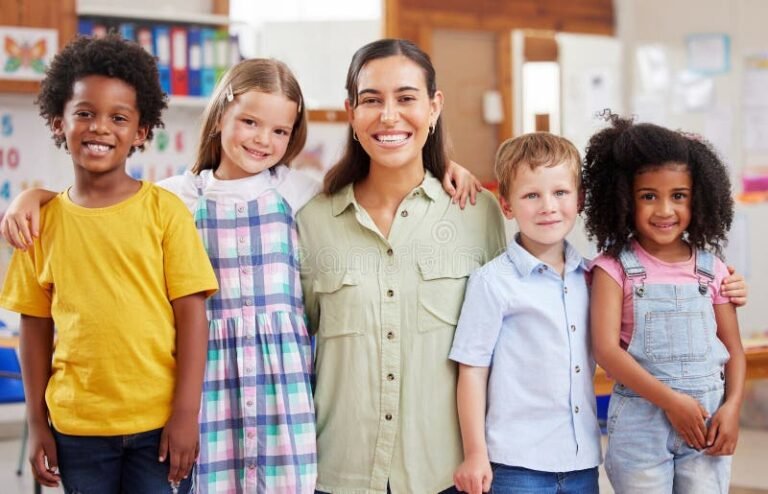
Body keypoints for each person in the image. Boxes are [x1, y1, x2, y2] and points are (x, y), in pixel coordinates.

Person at [0, 55, 481, 493]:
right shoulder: (177, 199)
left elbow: (382, 180)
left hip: (282, 393)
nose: (261, 140)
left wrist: (442, 166)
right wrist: (36, 197)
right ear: (221, 117)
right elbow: (107, 200)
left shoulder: (301, 193)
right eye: (249, 122)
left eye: (279, 132)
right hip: (203, 389)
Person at [0, 34, 219, 493]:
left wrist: (186, 413)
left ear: (140, 132)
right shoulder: (40, 224)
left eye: (119, 118)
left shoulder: (165, 212)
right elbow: (34, 330)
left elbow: (193, 317)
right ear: (59, 123)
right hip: (78, 429)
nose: (101, 127)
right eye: (84, 113)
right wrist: (38, 424)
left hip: (157, 426)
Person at [297, 38, 507, 494]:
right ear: (351, 111)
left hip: (446, 474)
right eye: (372, 100)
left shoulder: (477, 213)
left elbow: (500, 349)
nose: (388, 115)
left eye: (406, 98)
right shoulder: (311, 221)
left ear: (434, 107)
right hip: (338, 472)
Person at [583, 114, 746, 493]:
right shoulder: (612, 268)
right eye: (648, 196)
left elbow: (734, 350)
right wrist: (671, 401)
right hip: (641, 426)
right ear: (624, 198)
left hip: (708, 424)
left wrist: (733, 407)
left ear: (698, 198)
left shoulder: (714, 269)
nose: (664, 210)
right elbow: (606, 351)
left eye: (678, 196)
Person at [449, 133, 602, 494]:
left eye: (560, 193)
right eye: (531, 195)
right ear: (507, 205)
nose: (548, 206)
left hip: (582, 462)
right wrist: (475, 454)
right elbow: (471, 369)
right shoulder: (493, 282)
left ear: (578, 200)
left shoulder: (595, 278)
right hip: (517, 467)